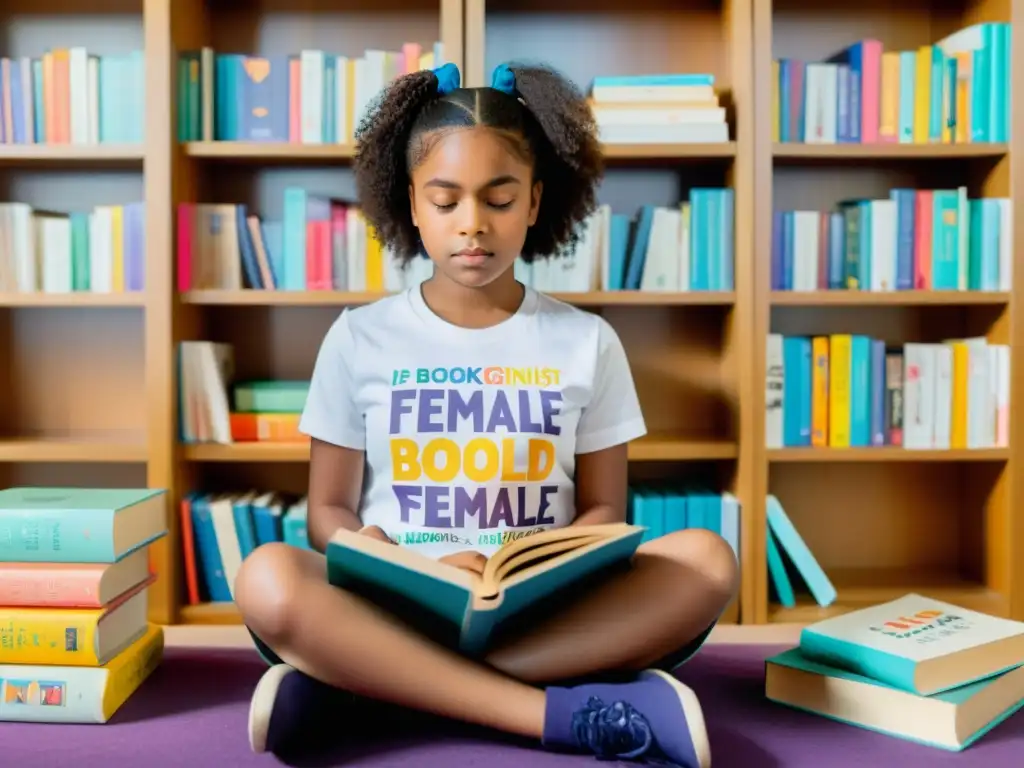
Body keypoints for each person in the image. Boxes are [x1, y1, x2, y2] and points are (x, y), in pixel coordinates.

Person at [234, 60, 739, 768]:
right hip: (398, 601)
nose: (472, 225)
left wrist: (516, 565)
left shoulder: (587, 341)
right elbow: (327, 510)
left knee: (708, 560)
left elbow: (604, 509)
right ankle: (555, 713)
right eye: (446, 202)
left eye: (499, 200)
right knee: (266, 575)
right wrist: (380, 551)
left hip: (537, 607)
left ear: (535, 202)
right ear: (411, 204)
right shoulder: (358, 336)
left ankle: (367, 685)